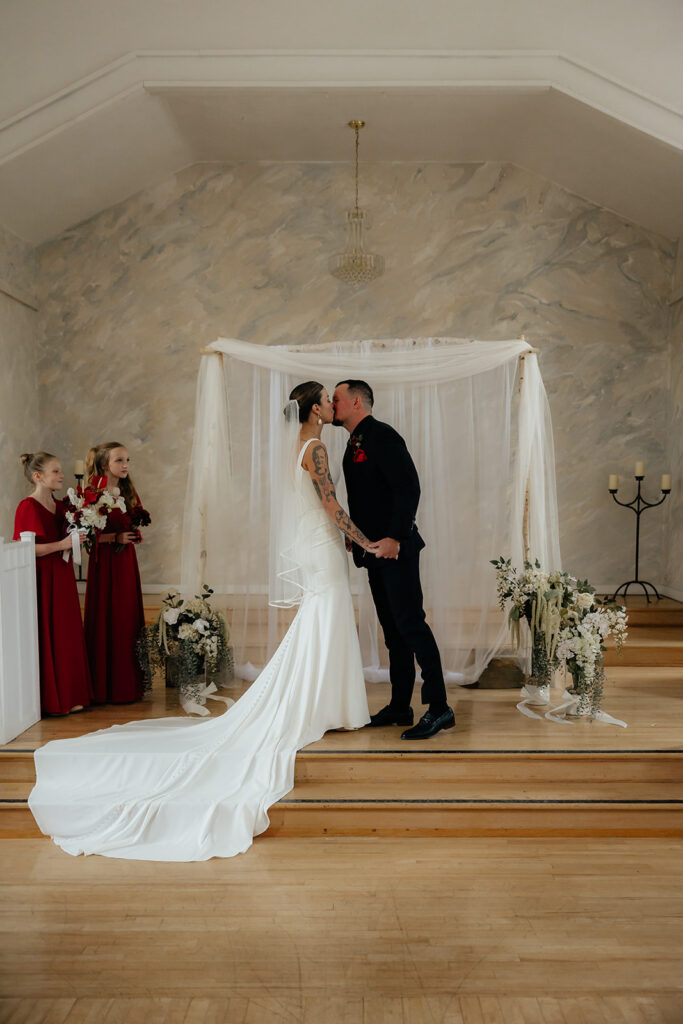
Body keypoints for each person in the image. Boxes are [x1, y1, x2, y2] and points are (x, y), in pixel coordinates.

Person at [28, 383, 372, 860]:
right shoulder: (314, 449)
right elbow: (331, 504)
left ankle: (326, 704)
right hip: (322, 544)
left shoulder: (299, 445)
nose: (332, 407)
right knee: (326, 616)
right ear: (315, 408)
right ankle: (323, 706)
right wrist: (365, 541)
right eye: (327, 401)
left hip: (314, 545)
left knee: (322, 619)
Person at [333, 379, 455, 740]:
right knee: (393, 633)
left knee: (412, 625)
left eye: (336, 398)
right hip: (373, 552)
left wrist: (396, 538)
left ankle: (439, 707)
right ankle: (401, 705)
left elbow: (408, 487)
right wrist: (357, 538)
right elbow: (370, 497)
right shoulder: (355, 440)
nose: (332, 404)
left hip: (395, 550)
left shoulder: (382, 435)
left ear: (356, 402)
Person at [13, 453, 93, 716]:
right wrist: (62, 545)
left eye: (61, 471)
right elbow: (28, 549)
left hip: (62, 575)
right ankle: (52, 699)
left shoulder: (61, 506)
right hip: (43, 577)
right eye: (56, 471)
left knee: (67, 633)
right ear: (38, 476)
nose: (61, 476)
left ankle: (72, 694)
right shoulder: (28, 507)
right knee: (50, 632)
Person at [83, 442, 146, 704]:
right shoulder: (91, 493)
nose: (125, 465)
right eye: (119, 460)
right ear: (103, 464)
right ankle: (103, 686)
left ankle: (127, 686)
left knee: (126, 615)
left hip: (125, 563)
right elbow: (86, 538)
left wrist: (134, 534)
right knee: (106, 615)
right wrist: (114, 538)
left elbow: (134, 519)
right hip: (104, 563)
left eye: (127, 460)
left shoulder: (128, 490)